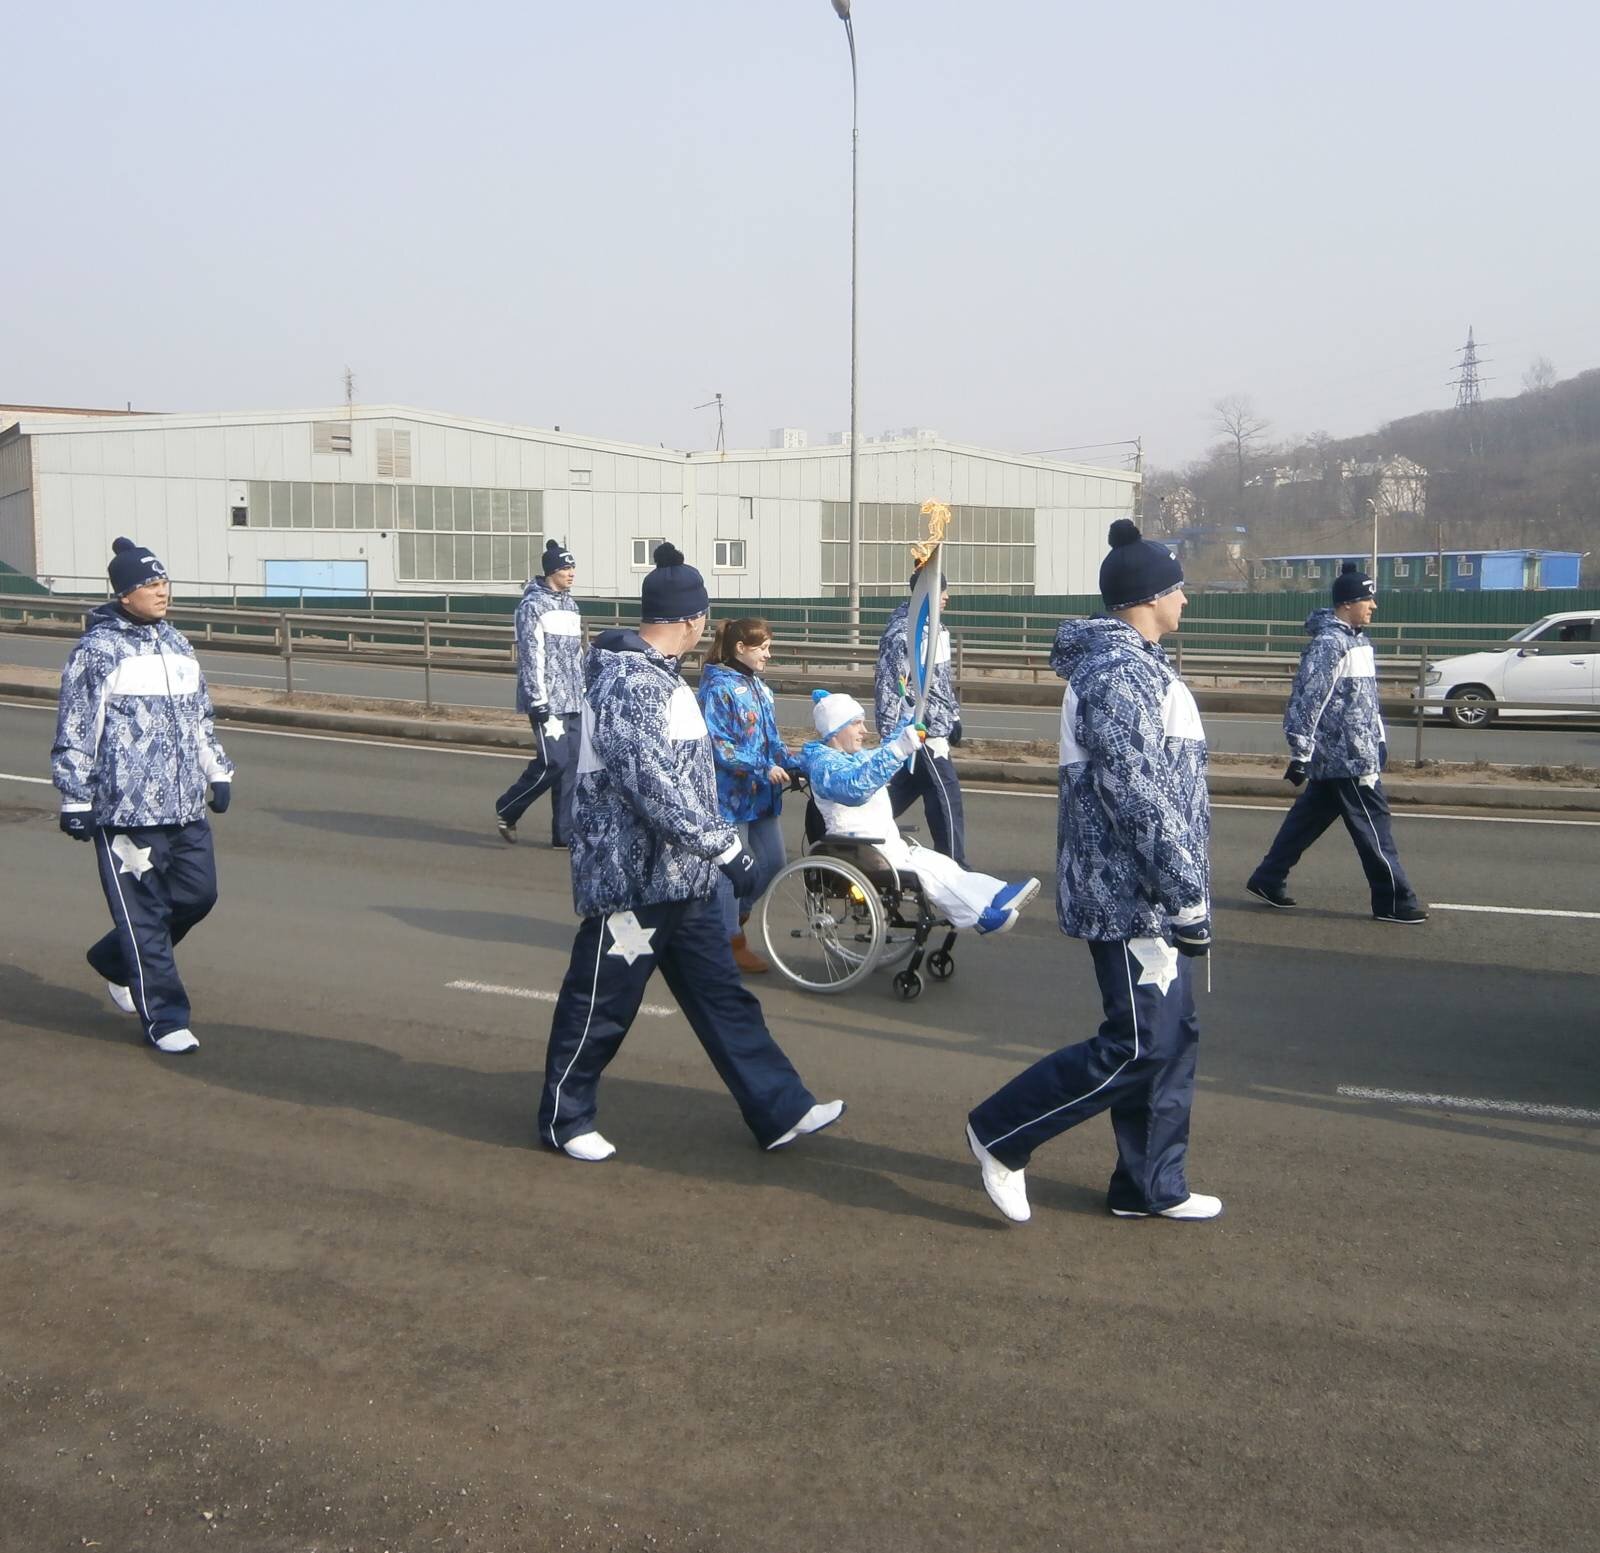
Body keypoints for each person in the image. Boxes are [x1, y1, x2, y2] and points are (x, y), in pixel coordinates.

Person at [537, 544, 845, 1162]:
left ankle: (779, 1106)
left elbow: (684, 777)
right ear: (692, 619)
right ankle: (563, 1119)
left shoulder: (660, 678)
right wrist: (724, 848)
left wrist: (712, 851)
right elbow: (651, 782)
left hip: (684, 877)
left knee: (722, 997)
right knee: (601, 1004)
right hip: (634, 882)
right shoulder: (630, 681)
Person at [965, 519, 1220, 1225]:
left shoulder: (1140, 667)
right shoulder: (1117, 672)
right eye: (1180, 589)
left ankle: (1150, 1184)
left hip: (1154, 895)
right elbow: (1135, 791)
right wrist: (1184, 891)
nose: (1187, 602)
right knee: (1140, 1041)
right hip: (1131, 895)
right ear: (1153, 595)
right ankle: (1000, 1132)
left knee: (1171, 1037)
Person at [51, 537, 234, 1055]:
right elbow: (77, 727)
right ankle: (165, 1018)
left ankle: (116, 960)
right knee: (144, 915)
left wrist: (216, 770)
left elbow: (201, 718)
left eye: (163, 581)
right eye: (149, 583)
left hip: (182, 806)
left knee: (200, 895)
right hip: (125, 810)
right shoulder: (97, 651)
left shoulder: (177, 644)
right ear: (125, 592)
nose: (161, 590)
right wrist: (76, 798)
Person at [1246, 563, 1426, 924]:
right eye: (1367, 598)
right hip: (1346, 757)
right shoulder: (1330, 645)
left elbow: (1365, 700)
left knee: (1307, 820)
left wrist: (1379, 736)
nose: (1374, 605)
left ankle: (1268, 877)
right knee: (1374, 826)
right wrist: (1300, 752)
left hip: (1356, 751)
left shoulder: (1357, 640)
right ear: (1347, 603)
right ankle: (1393, 901)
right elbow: (1308, 699)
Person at [800, 689, 1039, 935]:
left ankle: (995, 894)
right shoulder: (825, 766)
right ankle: (979, 915)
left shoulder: (853, 757)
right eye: (856, 724)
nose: (865, 730)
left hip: (883, 844)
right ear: (835, 729)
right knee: (927, 875)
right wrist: (899, 750)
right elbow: (854, 788)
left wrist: (908, 716)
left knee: (942, 865)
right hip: (859, 849)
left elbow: (884, 754)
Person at [697, 617, 801, 974]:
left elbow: (772, 742)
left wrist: (800, 762)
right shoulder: (717, 688)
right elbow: (719, 746)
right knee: (733, 872)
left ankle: (731, 919)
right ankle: (728, 941)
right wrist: (762, 766)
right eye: (763, 648)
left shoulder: (759, 687)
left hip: (761, 796)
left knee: (773, 863)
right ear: (741, 648)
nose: (768, 655)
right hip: (730, 798)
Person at [494, 539, 583, 848]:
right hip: (547, 701)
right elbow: (532, 656)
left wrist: (584, 691)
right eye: (566, 567)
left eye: (572, 567)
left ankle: (564, 835)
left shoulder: (571, 605)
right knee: (553, 762)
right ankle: (508, 807)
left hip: (573, 700)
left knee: (571, 766)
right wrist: (537, 699)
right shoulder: (532, 607)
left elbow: (576, 655)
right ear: (551, 570)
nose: (571, 573)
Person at [874, 572, 966, 864]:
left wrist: (953, 715)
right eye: (941, 591)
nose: (947, 596)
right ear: (924, 596)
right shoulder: (904, 633)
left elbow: (940, 681)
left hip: (935, 726)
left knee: (903, 790)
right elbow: (888, 686)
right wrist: (891, 734)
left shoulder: (936, 629)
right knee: (946, 797)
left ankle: (858, 830)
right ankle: (956, 867)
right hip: (917, 729)